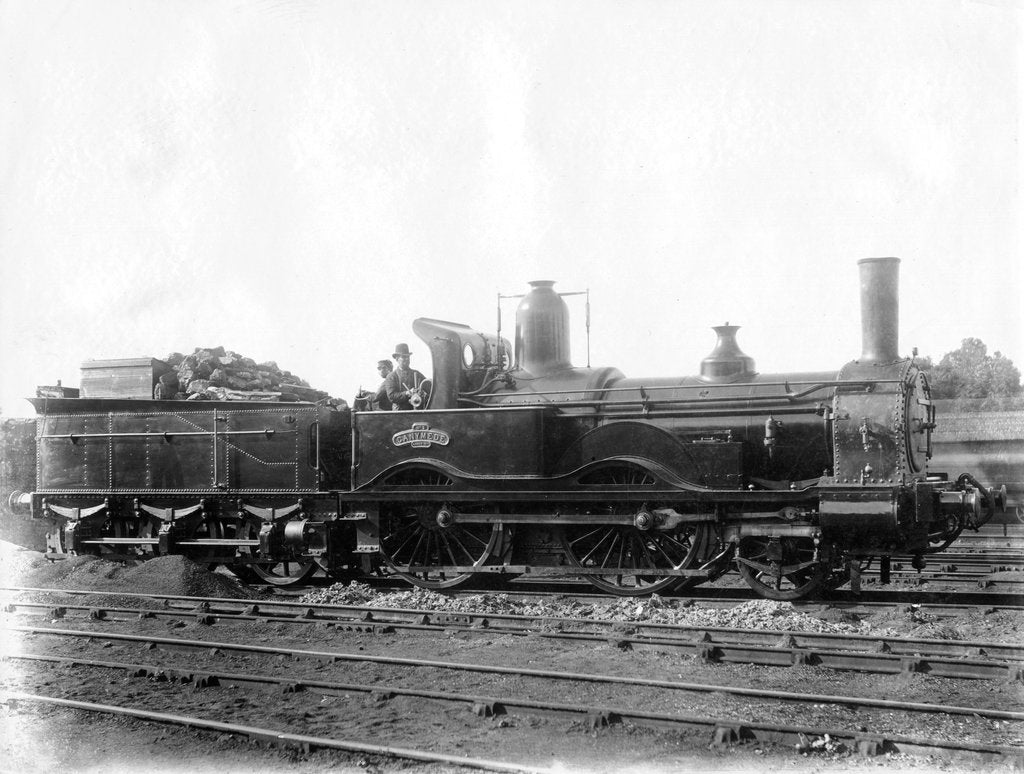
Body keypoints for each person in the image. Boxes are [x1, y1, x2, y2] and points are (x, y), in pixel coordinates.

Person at [385, 343, 427, 410]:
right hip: (400, 412)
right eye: (404, 357)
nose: (407, 359)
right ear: (397, 359)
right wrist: (407, 393)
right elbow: (392, 396)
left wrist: (422, 393)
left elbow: (428, 388)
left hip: (417, 411)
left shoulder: (417, 374)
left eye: (408, 357)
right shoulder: (391, 376)